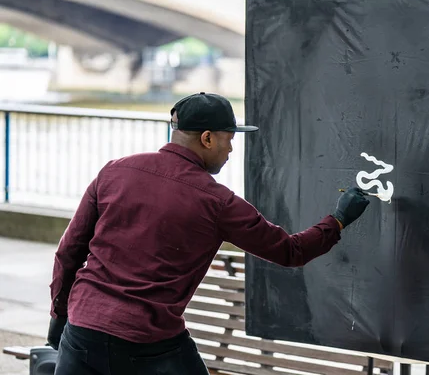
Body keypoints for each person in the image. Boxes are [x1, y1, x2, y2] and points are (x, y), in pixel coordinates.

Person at [47, 92, 371, 375]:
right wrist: (340, 218)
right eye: (229, 137)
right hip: (149, 342)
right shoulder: (218, 202)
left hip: (84, 330)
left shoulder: (114, 171)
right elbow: (290, 251)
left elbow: (69, 251)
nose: (231, 148)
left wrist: (59, 315)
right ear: (207, 139)